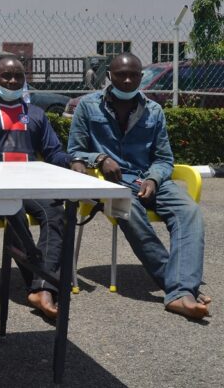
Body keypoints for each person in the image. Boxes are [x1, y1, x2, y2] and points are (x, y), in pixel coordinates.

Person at [68, 52, 210, 319]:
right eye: (121, 74)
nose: (127, 80)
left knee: (189, 212)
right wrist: (100, 158)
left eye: (134, 74)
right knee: (130, 209)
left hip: (149, 179)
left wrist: (154, 179)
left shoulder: (154, 110)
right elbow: (74, 151)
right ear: (109, 76)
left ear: (141, 77)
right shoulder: (87, 107)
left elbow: (164, 158)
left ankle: (179, 288)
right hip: (112, 183)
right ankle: (180, 289)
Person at [0, 54, 75, 319]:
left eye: (18, 76)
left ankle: (39, 288)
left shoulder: (36, 114)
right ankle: (43, 286)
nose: (12, 81)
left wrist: (72, 162)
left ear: (25, 79)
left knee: (55, 212)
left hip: (31, 186)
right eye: (5, 76)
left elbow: (53, 152)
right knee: (14, 213)